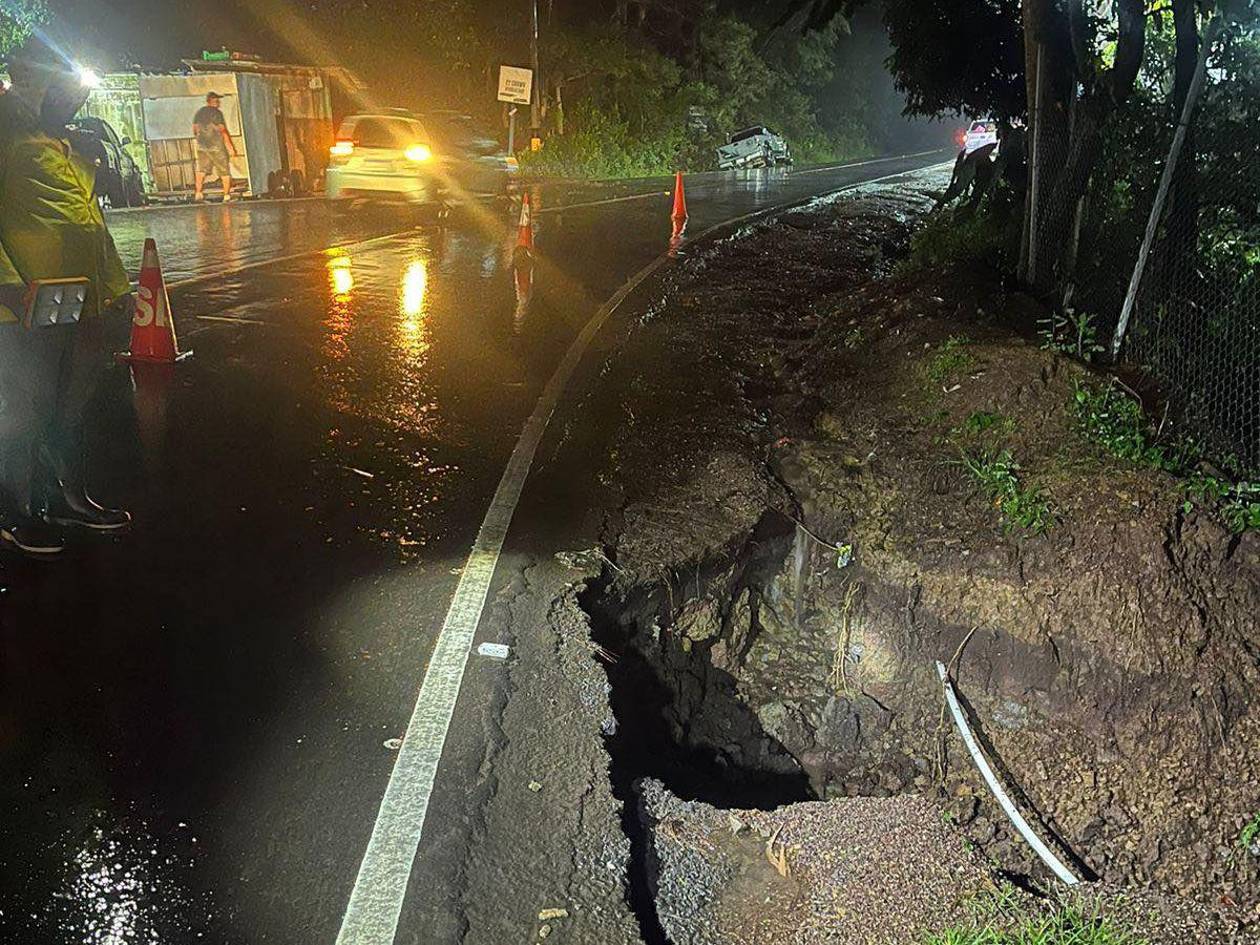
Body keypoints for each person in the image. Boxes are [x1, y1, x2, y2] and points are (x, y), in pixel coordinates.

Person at [0, 38, 133, 557]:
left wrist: (115, 289)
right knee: (26, 408)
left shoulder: (65, 142)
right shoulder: (7, 136)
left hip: (82, 301)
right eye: (63, 88)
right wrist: (11, 287)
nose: (74, 99)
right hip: (23, 305)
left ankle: (66, 498)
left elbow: (88, 222)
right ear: (35, 83)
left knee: (71, 407)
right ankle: (14, 511)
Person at [193, 91, 237, 202]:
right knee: (224, 171)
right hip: (217, 147)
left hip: (202, 146)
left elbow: (195, 129)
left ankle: (198, 193)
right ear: (210, 101)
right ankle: (226, 195)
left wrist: (200, 139)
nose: (218, 103)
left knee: (201, 171)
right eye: (216, 101)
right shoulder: (217, 113)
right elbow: (222, 130)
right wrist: (230, 146)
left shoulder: (199, 112)